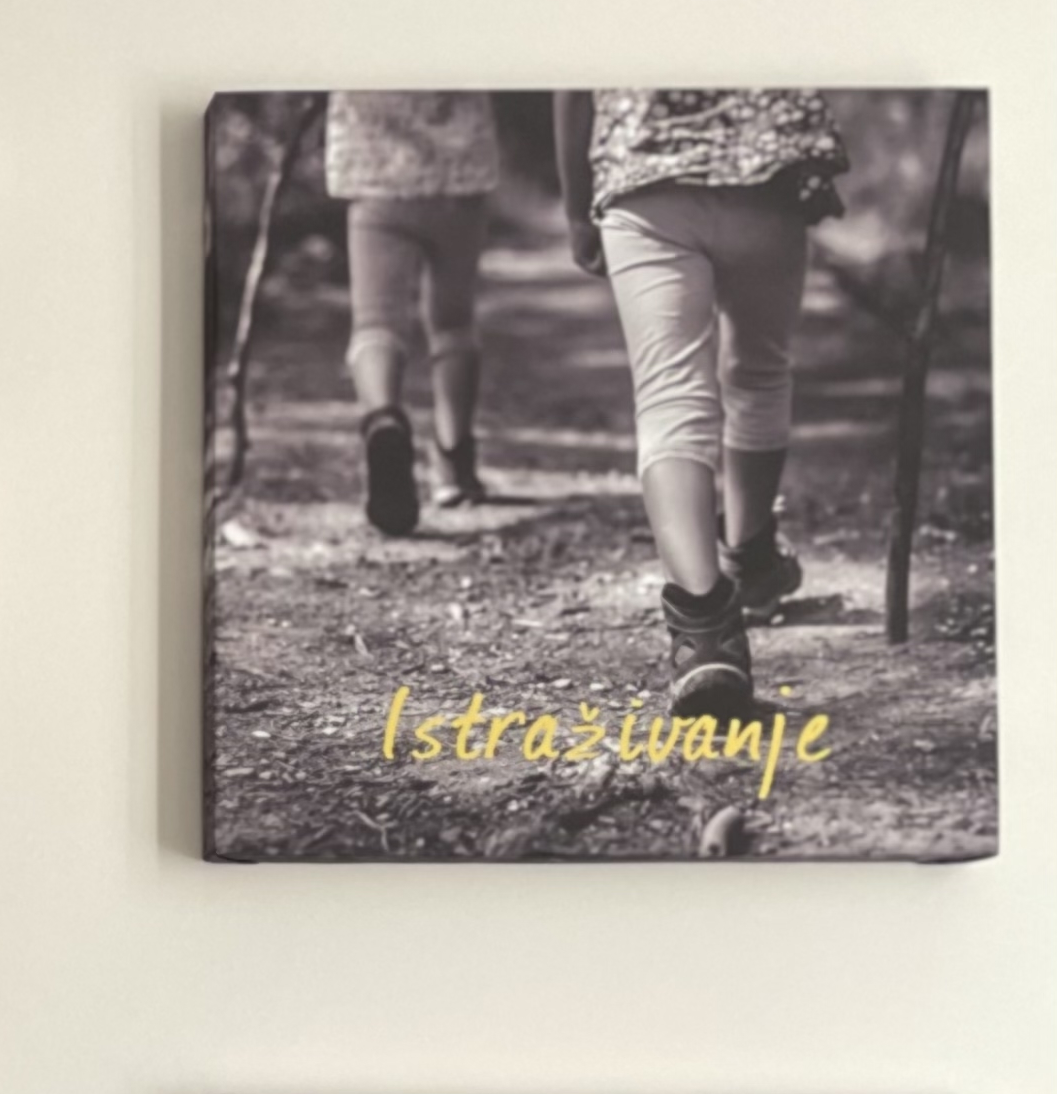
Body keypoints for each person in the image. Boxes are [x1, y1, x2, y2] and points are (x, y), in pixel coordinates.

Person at [555, 89, 848, 713]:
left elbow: (572, 86)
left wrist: (577, 207)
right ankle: (751, 557)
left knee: (669, 395)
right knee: (759, 374)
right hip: (763, 174)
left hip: (642, 182)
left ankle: (704, 630)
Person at [323, 92, 501, 535]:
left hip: (373, 176)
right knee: (454, 323)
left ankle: (383, 418)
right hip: (460, 175)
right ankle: (454, 462)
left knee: (375, 323)